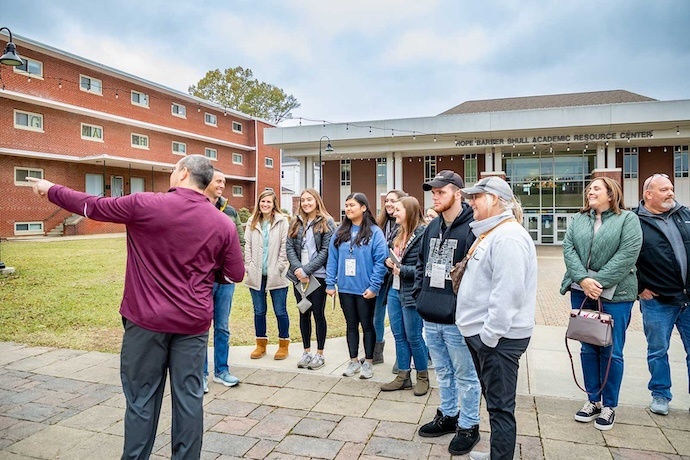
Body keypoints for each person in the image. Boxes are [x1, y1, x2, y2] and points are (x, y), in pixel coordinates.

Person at [28, 155, 244, 459]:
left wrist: (51, 189)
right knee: (189, 400)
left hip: (145, 321)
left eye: (172, 170)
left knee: (142, 400)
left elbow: (93, 205)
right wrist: (208, 271)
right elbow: (235, 273)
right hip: (193, 324)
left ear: (183, 174)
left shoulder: (145, 204)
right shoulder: (222, 222)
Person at [455, 176, 537, 460]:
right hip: (488, 338)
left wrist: (488, 337)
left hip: (498, 339)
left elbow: (508, 293)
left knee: (501, 407)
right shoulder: (493, 232)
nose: (471, 203)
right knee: (494, 403)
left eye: (476, 197)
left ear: (493, 199)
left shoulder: (509, 237)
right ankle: (496, 454)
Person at [560, 176, 642, 431]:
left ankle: (609, 406)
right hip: (580, 292)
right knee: (587, 348)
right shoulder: (579, 219)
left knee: (611, 351)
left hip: (616, 296)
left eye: (596, 188)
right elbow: (568, 249)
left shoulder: (628, 220)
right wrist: (583, 280)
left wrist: (597, 282)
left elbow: (627, 255)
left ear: (611, 193)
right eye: (589, 188)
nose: (590, 191)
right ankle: (592, 401)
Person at [413, 170, 482, 456]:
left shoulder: (473, 228)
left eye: (441, 191)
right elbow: (420, 263)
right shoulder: (432, 227)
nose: (435, 195)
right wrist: (420, 294)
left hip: (457, 319)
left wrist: (465, 309)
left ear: (457, 192)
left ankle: (469, 425)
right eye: (433, 191)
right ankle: (449, 415)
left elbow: (478, 275)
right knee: (442, 371)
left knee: (465, 374)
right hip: (431, 315)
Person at [633, 173, 690, 416]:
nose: (671, 193)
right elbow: (626, 259)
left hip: (688, 299)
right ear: (648, 194)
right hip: (657, 301)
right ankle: (660, 394)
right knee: (657, 350)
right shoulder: (634, 221)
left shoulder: (685, 215)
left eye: (671, 188)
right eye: (664, 189)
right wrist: (639, 288)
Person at [326, 192, 388, 379]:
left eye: (352, 205)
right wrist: (330, 283)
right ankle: (353, 361)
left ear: (364, 208)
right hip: (345, 288)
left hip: (365, 290)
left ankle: (368, 362)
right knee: (351, 325)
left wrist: (374, 286)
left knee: (367, 325)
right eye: (347, 205)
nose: (348, 208)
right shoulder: (339, 232)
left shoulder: (375, 233)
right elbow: (332, 259)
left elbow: (381, 261)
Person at [380, 196, 429, 395]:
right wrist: (389, 263)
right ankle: (403, 376)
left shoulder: (422, 234)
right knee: (398, 334)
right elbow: (393, 256)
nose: (393, 211)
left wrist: (403, 270)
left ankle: (422, 377)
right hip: (394, 289)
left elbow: (423, 268)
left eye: (398, 209)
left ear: (408, 211)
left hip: (411, 292)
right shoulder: (398, 232)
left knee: (414, 336)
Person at [202, 169, 245, 392]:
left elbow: (240, 242)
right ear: (207, 181)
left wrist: (236, 267)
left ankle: (221, 371)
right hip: (203, 280)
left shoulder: (230, 211)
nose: (222, 184)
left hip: (226, 281)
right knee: (201, 327)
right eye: (218, 180)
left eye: (224, 181)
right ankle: (200, 375)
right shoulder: (197, 208)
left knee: (223, 327)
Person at [286, 189, 336, 370]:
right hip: (298, 277)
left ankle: (319, 354)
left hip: (318, 276)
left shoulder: (327, 222)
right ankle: (306, 352)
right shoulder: (295, 221)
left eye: (310, 199)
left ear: (317, 201)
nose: (306, 203)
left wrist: (307, 269)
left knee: (318, 314)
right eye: (303, 200)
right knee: (303, 312)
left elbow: (325, 251)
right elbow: (289, 247)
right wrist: (299, 270)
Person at [244, 189, 290, 360]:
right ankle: (260, 345)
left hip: (276, 274)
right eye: (262, 202)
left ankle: (283, 344)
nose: (265, 205)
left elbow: (285, 247)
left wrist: (280, 266)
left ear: (274, 204)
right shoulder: (252, 221)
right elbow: (247, 245)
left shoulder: (282, 221)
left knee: (280, 311)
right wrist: (248, 265)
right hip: (256, 274)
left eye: (268, 202)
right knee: (259, 311)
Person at [372, 189, 407, 364]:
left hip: (397, 277)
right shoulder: (380, 225)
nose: (389, 204)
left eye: (393, 201)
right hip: (380, 277)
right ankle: (377, 353)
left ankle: (401, 360)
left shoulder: (404, 225)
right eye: (387, 201)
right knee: (377, 317)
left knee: (396, 320)